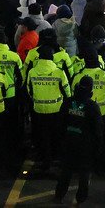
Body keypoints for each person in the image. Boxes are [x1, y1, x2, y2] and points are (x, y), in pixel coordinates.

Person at [54, 75, 102, 205]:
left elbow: (60, 123)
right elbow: (97, 131)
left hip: (69, 142)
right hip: (85, 146)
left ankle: (59, 195)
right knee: (84, 173)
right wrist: (97, 149)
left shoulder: (68, 102)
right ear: (91, 90)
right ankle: (80, 198)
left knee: (66, 171)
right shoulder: (93, 107)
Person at [26, 39, 71, 173]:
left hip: (39, 109)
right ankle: (56, 159)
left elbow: (29, 90)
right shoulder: (59, 72)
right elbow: (67, 92)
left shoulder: (32, 72)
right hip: (56, 110)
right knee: (56, 135)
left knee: (43, 136)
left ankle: (45, 161)